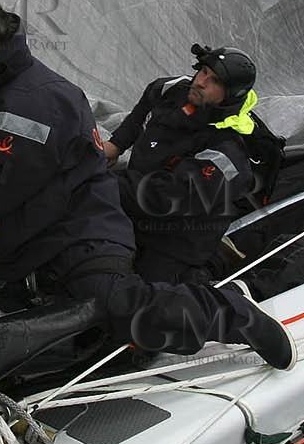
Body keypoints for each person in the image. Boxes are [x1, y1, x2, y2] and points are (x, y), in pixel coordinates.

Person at [0, 0, 294, 369]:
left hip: (85, 235)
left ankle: (232, 312)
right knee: (25, 337)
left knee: (120, 314)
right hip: (34, 236)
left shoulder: (27, 109)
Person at [104, 45, 259, 285]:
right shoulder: (174, 90)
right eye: (203, 71)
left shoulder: (227, 153)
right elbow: (147, 103)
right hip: (134, 201)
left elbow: (164, 196)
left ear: (231, 94)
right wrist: (116, 144)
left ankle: (211, 262)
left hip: (176, 235)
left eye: (214, 81)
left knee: (145, 299)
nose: (201, 82)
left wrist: (100, 182)